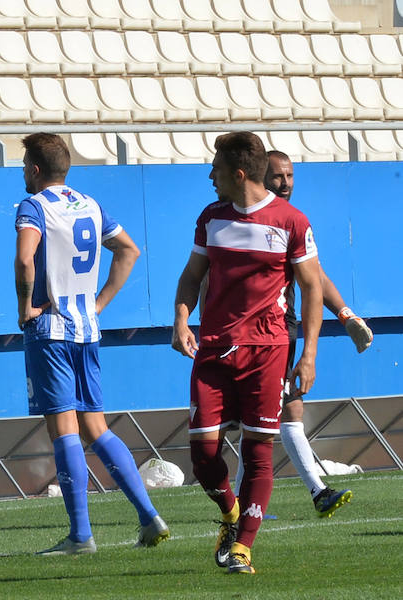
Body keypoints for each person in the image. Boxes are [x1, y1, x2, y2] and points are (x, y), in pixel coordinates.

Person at [172, 132, 323, 574]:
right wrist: (181, 319)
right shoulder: (211, 217)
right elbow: (190, 276)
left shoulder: (291, 221)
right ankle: (231, 514)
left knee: (258, 449)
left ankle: (244, 548)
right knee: (203, 453)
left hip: (267, 350)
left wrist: (308, 354)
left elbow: (313, 287)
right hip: (214, 349)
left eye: (215, 168)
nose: (210, 175)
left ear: (237, 174)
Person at [14, 132, 169, 556]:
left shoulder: (34, 206)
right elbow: (129, 250)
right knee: (96, 427)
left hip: (52, 331)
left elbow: (26, 258)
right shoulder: (90, 204)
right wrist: (98, 303)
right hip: (87, 330)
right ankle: (148, 515)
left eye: (24, 163)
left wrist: (26, 307)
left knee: (63, 428)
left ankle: (81, 535)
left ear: (34, 169)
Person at [230, 150, 372, 517]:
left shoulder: (290, 221)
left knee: (283, 409)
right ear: (260, 177)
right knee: (268, 415)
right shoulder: (239, 221)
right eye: (279, 176)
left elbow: (315, 277)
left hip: (280, 331)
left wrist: (344, 314)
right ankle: (307, 491)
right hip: (249, 335)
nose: (286, 183)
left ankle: (305, 492)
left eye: (291, 176)